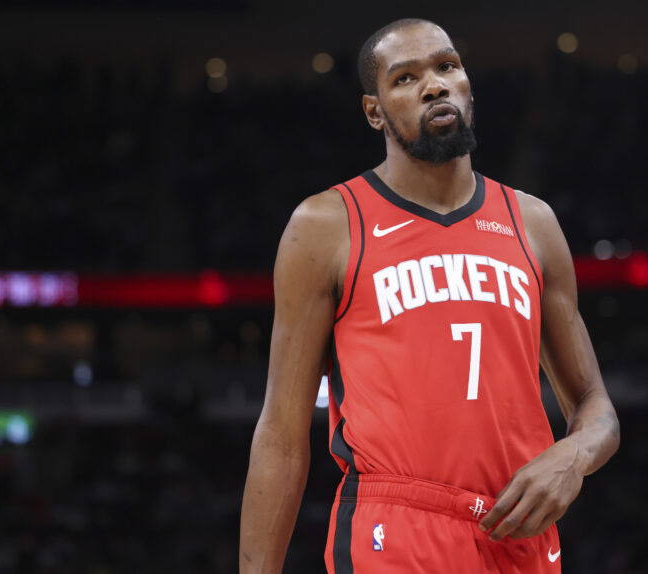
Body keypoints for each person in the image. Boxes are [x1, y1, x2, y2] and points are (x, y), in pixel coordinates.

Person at [239, 18, 620, 574]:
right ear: (374, 112)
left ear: (467, 85)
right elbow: (281, 434)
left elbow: (595, 406)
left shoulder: (532, 222)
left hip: (519, 532)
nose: (435, 85)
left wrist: (573, 455)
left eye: (447, 66)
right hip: (397, 528)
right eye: (406, 77)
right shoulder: (326, 226)